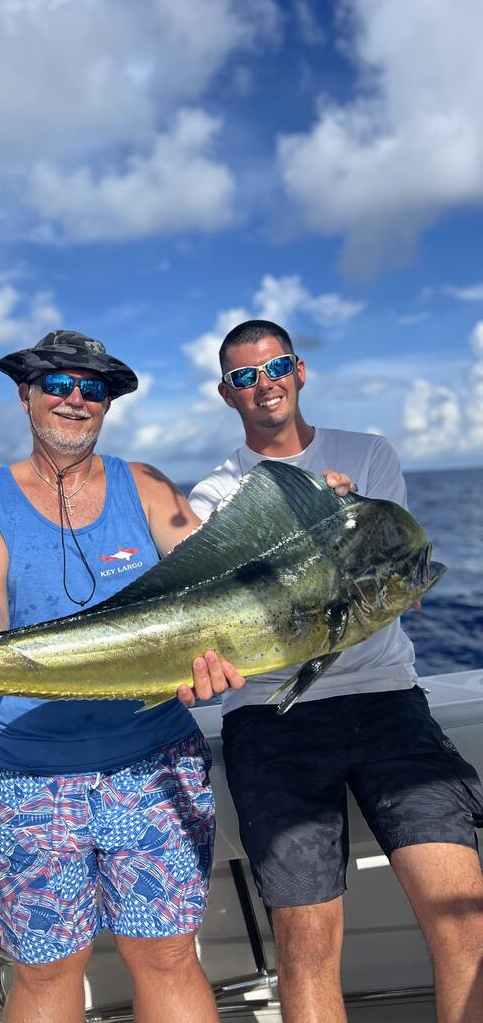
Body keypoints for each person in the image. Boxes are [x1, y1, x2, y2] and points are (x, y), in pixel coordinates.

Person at [0, 330, 247, 1023]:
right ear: (26, 395)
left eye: (90, 389)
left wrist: (219, 655)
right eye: (56, 385)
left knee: (168, 956)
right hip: (25, 776)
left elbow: (212, 588)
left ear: (107, 404)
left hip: (153, 764)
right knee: (45, 970)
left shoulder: (148, 486)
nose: (73, 400)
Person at [186, 318, 483, 1023]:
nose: (264, 385)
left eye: (275, 367)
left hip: (386, 704)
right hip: (270, 716)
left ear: (299, 371)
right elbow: (233, 613)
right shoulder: (213, 495)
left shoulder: (368, 454)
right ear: (227, 394)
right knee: (307, 941)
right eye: (244, 377)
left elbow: (386, 569)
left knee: (465, 914)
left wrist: (346, 517)